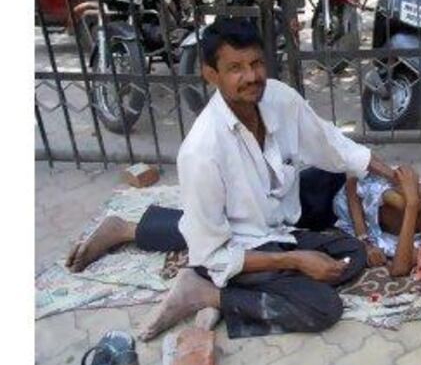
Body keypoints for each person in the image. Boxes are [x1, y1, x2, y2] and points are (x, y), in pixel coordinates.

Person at [65, 18, 400, 341]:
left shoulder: (280, 98)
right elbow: (211, 253)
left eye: (256, 63)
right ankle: (207, 294)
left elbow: (330, 142)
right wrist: (294, 260)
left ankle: (130, 229)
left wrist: (394, 175)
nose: (251, 76)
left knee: (353, 253)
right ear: (211, 74)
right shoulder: (200, 152)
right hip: (239, 246)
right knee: (323, 307)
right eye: (235, 68)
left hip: (277, 225)